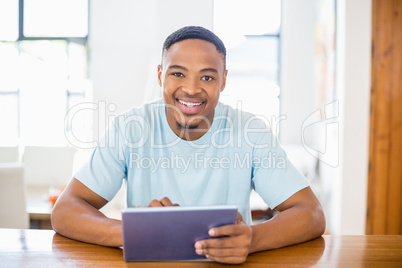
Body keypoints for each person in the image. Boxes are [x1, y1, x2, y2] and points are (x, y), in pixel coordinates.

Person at [52, 26, 325, 264]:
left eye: (207, 77)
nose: (192, 89)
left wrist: (252, 239)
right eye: (178, 74)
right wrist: (131, 232)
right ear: (160, 76)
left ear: (224, 80)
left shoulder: (250, 132)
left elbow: (311, 213)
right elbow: (65, 211)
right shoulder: (130, 128)